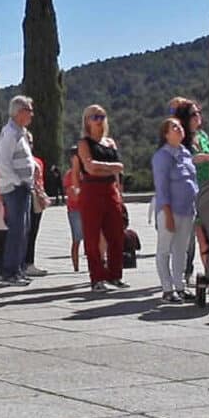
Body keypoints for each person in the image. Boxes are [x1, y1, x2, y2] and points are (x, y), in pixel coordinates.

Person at [77, 104, 128, 292]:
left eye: (101, 116)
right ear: (87, 121)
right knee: (92, 236)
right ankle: (97, 277)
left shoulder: (110, 143)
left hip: (110, 189)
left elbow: (119, 169)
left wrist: (119, 193)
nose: (99, 120)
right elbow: (90, 167)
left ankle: (115, 275)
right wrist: (112, 166)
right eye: (94, 117)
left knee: (116, 234)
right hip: (91, 190)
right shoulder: (84, 143)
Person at [174, 100, 209, 288]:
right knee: (188, 239)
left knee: (206, 235)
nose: (197, 117)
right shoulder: (181, 139)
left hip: (205, 189)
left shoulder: (202, 136)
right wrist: (204, 158)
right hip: (187, 191)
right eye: (193, 114)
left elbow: (206, 157)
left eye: (199, 113)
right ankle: (185, 275)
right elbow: (182, 160)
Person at [152, 116, 198, 303]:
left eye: (180, 126)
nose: (179, 129)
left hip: (187, 209)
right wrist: (167, 213)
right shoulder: (162, 157)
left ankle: (180, 286)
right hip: (170, 210)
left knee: (182, 250)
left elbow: (192, 181)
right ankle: (167, 289)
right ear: (165, 134)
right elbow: (162, 187)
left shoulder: (185, 153)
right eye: (174, 127)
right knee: (165, 250)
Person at [0, 96, 37, 286]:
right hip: (15, 189)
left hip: (24, 187)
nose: (32, 114)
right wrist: (17, 182)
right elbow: (3, 162)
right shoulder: (10, 133)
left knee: (24, 229)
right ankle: (10, 272)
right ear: (18, 112)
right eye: (29, 110)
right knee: (17, 230)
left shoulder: (21, 132)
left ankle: (18, 269)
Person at [63, 148, 84, 273]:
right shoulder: (69, 174)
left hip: (86, 208)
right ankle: (76, 267)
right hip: (75, 209)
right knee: (76, 239)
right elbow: (71, 192)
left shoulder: (86, 172)